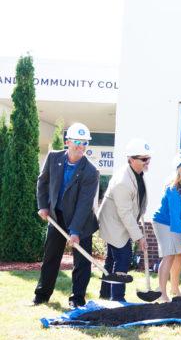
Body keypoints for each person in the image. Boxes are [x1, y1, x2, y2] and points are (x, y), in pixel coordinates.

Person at [33, 122, 100, 309]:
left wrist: (76, 231)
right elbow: (42, 182)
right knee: (51, 258)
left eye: (85, 142)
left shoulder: (91, 171)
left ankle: (77, 299)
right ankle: (41, 295)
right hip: (56, 216)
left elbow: (84, 205)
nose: (81, 146)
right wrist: (43, 206)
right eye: (77, 141)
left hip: (82, 221)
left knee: (81, 263)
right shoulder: (54, 158)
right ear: (68, 141)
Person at [97, 138, 152, 302]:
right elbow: (125, 213)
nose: (147, 162)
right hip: (114, 223)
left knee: (112, 259)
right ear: (131, 159)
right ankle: (117, 298)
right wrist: (139, 237)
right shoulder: (123, 181)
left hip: (121, 220)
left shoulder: (137, 173)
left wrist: (141, 212)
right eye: (144, 159)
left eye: (148, 158)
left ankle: (106, 294)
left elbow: (137, 200)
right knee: (124, 256)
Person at [152, 154, 181, 302]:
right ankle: (162, 293)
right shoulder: (173, 190)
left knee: (179, 254)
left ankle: (174, 288)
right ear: (179, 171)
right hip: (165, 222)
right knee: (170, 255)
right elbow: (174, 217)